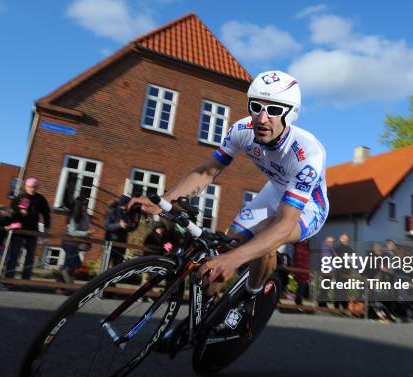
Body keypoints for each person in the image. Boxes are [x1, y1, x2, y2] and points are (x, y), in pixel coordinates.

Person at [130, 70, 329, 317]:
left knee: (264, 239)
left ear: (291, 114)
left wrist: (234, 260)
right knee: (225, 247)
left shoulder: (308, 154)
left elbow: (284, 224)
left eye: (274, 111)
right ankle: (202, 318)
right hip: (276, 190)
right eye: (256, 107)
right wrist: (163, 201)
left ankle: (250, 297)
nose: (262, 119)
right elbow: (207, 172)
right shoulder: (241, 130)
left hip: (309, 206)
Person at [5, 177, 51, 280]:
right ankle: (8, 279)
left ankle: (25, 280)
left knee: (30, 257)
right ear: (25, 186)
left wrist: (47, 228)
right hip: (19, 230)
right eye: (30, 187)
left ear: (37, 187)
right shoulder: (20, 197)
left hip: (32, 231)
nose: (32, 189)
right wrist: (19, 212)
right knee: (14, 255)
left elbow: (46, 214)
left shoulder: (40, 198)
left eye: (34, 187)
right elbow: (12, 211)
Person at [57, 197, 91, 294]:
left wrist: (88, 233)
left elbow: (86, 227)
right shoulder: (74, 216)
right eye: (84, 205)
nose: (86, 207)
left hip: (77, 244)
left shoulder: (85, 215)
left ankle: (61, 286)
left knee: (72, 265)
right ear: (79, 206)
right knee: (70, 265)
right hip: (69, 243)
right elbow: (72, 232)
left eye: (87, 204)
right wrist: (86, 233)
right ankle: (67, 287)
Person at [104, 195, 137, 267]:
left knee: (118, 265)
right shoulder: (111, 210)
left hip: (122, 242)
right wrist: (119, 225)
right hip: (111, 241)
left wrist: (131, 226)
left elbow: (130, 228)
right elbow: (107, 226)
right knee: (106, 263)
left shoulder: (128, 213)